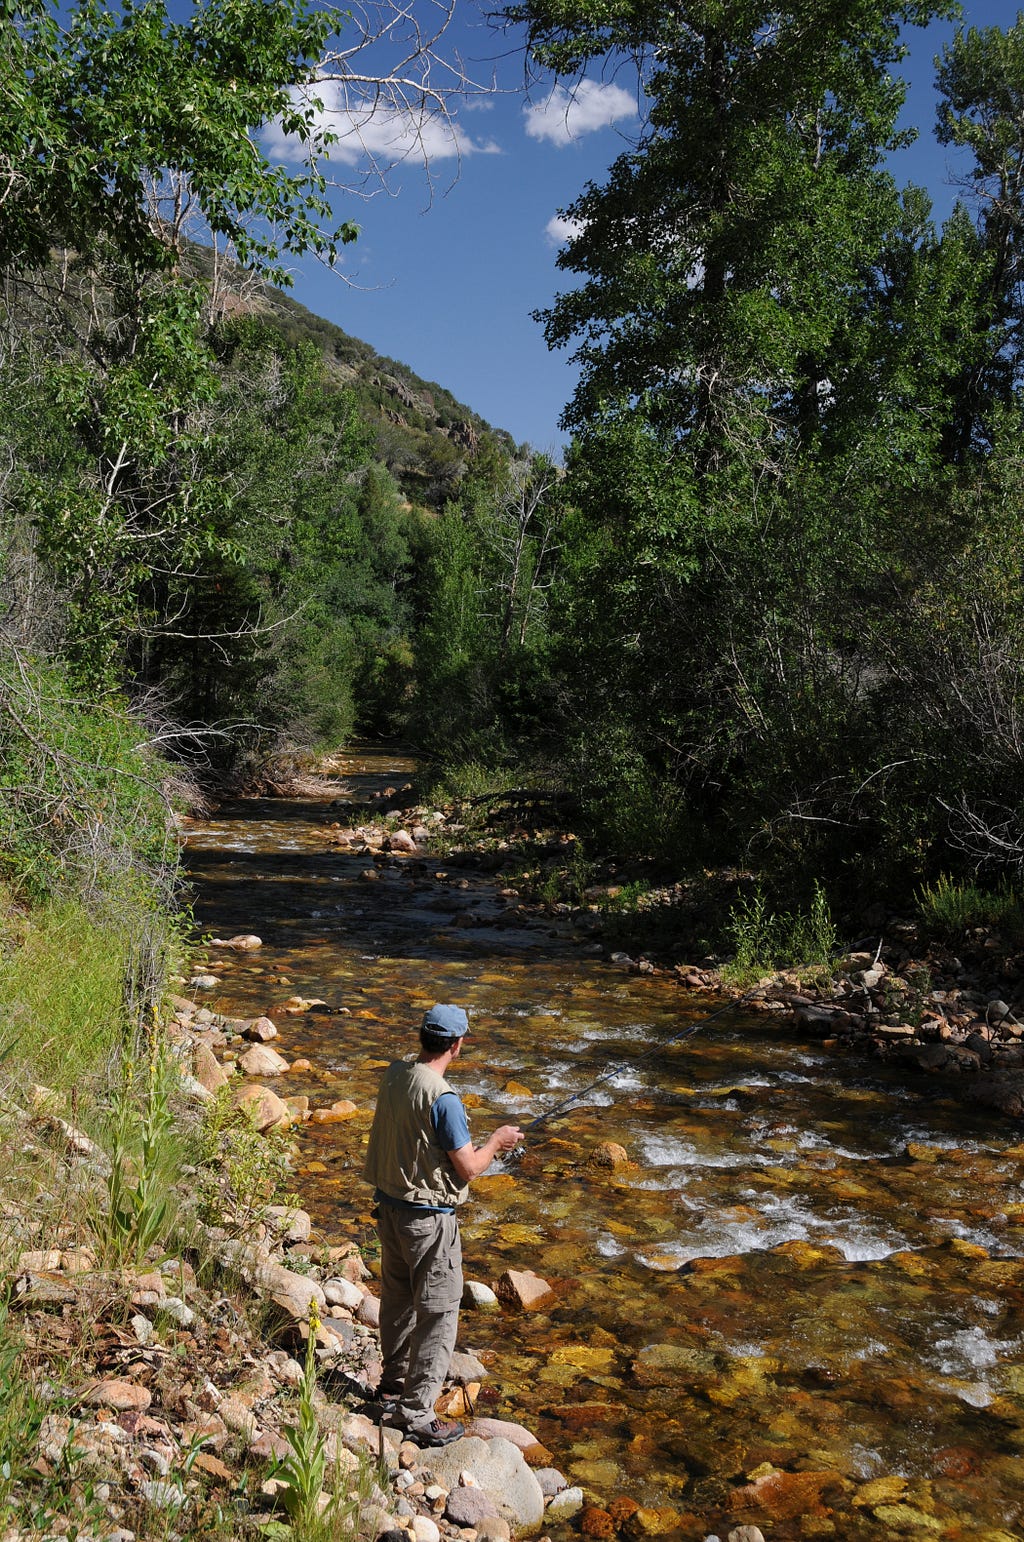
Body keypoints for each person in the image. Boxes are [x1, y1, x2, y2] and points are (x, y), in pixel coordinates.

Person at [361, 1002, 523, 1446]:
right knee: (438, 1311)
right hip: (428, 1221)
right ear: (456, 1044)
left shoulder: (395, 1074)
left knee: (396, 1299)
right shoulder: (444, 1098)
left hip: (389, 1210)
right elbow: (469, 1168)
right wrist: (498, 1141)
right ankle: (416, 1414)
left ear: (423, 1037)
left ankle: (393, 1386)